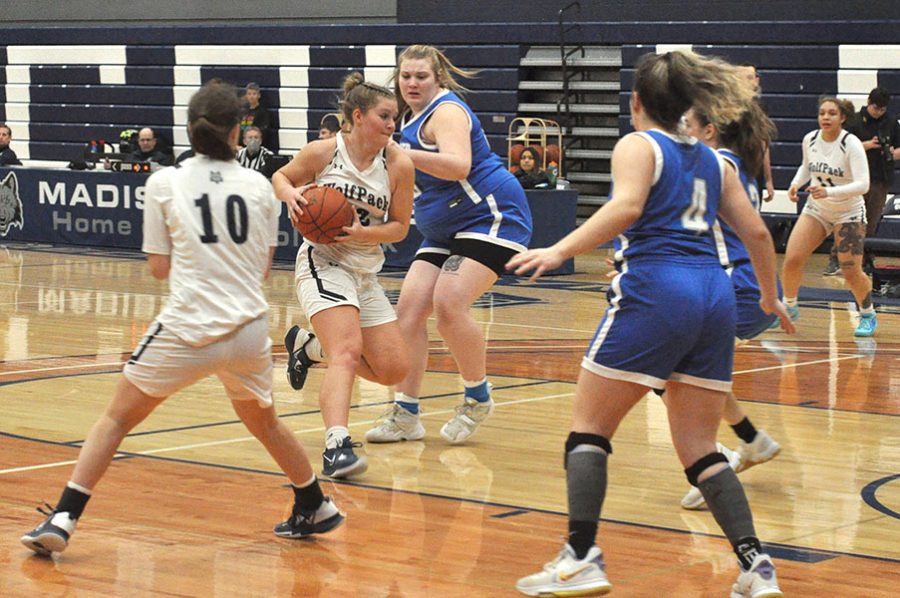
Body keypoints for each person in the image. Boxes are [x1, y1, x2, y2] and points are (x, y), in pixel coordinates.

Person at [507, 51, 793, 598]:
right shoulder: (715, 160)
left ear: (635, 103)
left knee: (588, 429)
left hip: (658, 289)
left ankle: (582, 557)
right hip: (714, 299)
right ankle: (757, 567)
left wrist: (558, 248)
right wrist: (769, 295)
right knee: (699, 447)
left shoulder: (639, 144)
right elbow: (757, 234)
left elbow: (627, 206)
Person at [20, 82, 344, 557]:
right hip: (249, 329)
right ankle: (314, 502)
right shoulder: (258, 185)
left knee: (114, 419)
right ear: (238, 131)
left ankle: (65, 516)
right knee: (266, 423)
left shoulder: (164, 182)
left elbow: (158, 268)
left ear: (190, 131)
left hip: (189, 327)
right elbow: (261, 265)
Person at [363, 44, 533, 446]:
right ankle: (405, 414)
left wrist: (403, 154)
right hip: (443, 227)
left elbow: (459, 165)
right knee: (407, 313)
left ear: (437, 77)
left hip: (490, 214)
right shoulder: (404, 121)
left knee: (449, 302)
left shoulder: (447, 111)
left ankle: (477, 396)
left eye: (421, 76)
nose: (412, 83)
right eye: (406, 76)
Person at [272, 73, 415, 479]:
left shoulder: (398, 163)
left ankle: (307, 348)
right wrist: (291, 195)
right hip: (323, 261)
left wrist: (364, 233)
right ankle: (337, 446)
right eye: (385, 116)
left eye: (395, 118)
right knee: (348, 352)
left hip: (365, 271)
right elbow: (281, 176)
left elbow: (400, 227)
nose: (392, 124)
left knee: (392, 369)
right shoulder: (325, 151)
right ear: (358, 116)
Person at [677, 105, 783, 511]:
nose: (681, 131)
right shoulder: (738, 164)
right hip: (750, 285)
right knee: (683, 369)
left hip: (737, 283)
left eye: (687, 124)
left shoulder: (715, 164)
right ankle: (752, 440)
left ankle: (714, 463)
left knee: (670, 368)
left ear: (709, 131)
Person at [782, 96, 874, 336]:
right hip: (818, 209)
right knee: (792, 258)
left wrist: (829, 191)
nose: (825, 117)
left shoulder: (850, 143)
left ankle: (867, 313)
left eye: (832, 113)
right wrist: (794, 184)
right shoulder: (810, 139)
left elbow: (864, 184)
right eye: (822, 113)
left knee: (850, 270)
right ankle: (789, 306)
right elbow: (806, 167)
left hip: (849, 211)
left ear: (842, 117)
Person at [826, 86, 900, 275]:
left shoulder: (891, 122)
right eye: (876, 108)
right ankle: (836, 259)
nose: (879, 112)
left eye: (883, 109)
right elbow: (841, 147)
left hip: (880, 179)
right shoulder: (854, 122)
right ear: (868, 103)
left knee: (871, 221)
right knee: (848, 220)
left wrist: (893, 153)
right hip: (855, 179)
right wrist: (865, 145)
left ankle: (864, 257)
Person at [736, 63, 775, 203]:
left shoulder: (760, 108)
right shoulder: (726, 107)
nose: (744, 82)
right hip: (732, 167)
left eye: (749, 77)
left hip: (753, 171)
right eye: (740, 78)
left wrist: (768, 179)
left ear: (756, 81)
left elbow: (763, 142)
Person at [241, 82, 273, 148]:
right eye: (249, 94)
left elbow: (263, 132)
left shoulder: (263, 112)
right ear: (246, 96)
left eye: (254, 94)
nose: (251, 96)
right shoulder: (242, 112)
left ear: (259, 95)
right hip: (242, 147)